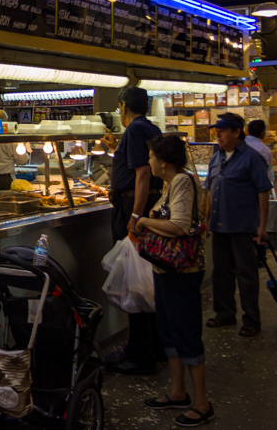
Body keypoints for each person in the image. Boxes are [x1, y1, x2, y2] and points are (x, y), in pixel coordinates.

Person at [136, 136, 213, 427]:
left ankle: (202, 403)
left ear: (164, 160)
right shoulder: (171, 183)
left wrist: (143, 221)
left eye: (152, 156)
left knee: (186, 333)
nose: (149, 162)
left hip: (183, 271)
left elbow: (179, 225)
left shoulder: (181, 182)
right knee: (168, 330)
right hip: (165, 270)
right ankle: (178, 392)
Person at [104, 86, 166, 375]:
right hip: (138, 206)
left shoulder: (135, 130)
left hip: (133, 209)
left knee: (136, 286)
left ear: (123, 107)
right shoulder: (149, 127)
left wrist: (135, 216)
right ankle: (152, 347)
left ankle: (141, 356)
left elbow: (142, 175)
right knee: (146, 283)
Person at [204, 113, 272, 338]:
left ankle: (251, 320)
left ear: (236, 132)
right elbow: (209, 189)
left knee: (246, 274)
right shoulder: (217, 157)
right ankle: (224, 313)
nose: (218, 136)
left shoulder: (252, 158)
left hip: (243, 226)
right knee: (221, 273)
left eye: (222, 132)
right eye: (217, 132)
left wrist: (262, 226)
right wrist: (206, 220)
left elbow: (263, 191)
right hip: (219, 224)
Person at [244, 120, 275, 191]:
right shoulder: (265, 150)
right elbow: (269, 174)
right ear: (263, 133)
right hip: (257, 189)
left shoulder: (239, 144)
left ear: (247, 131)